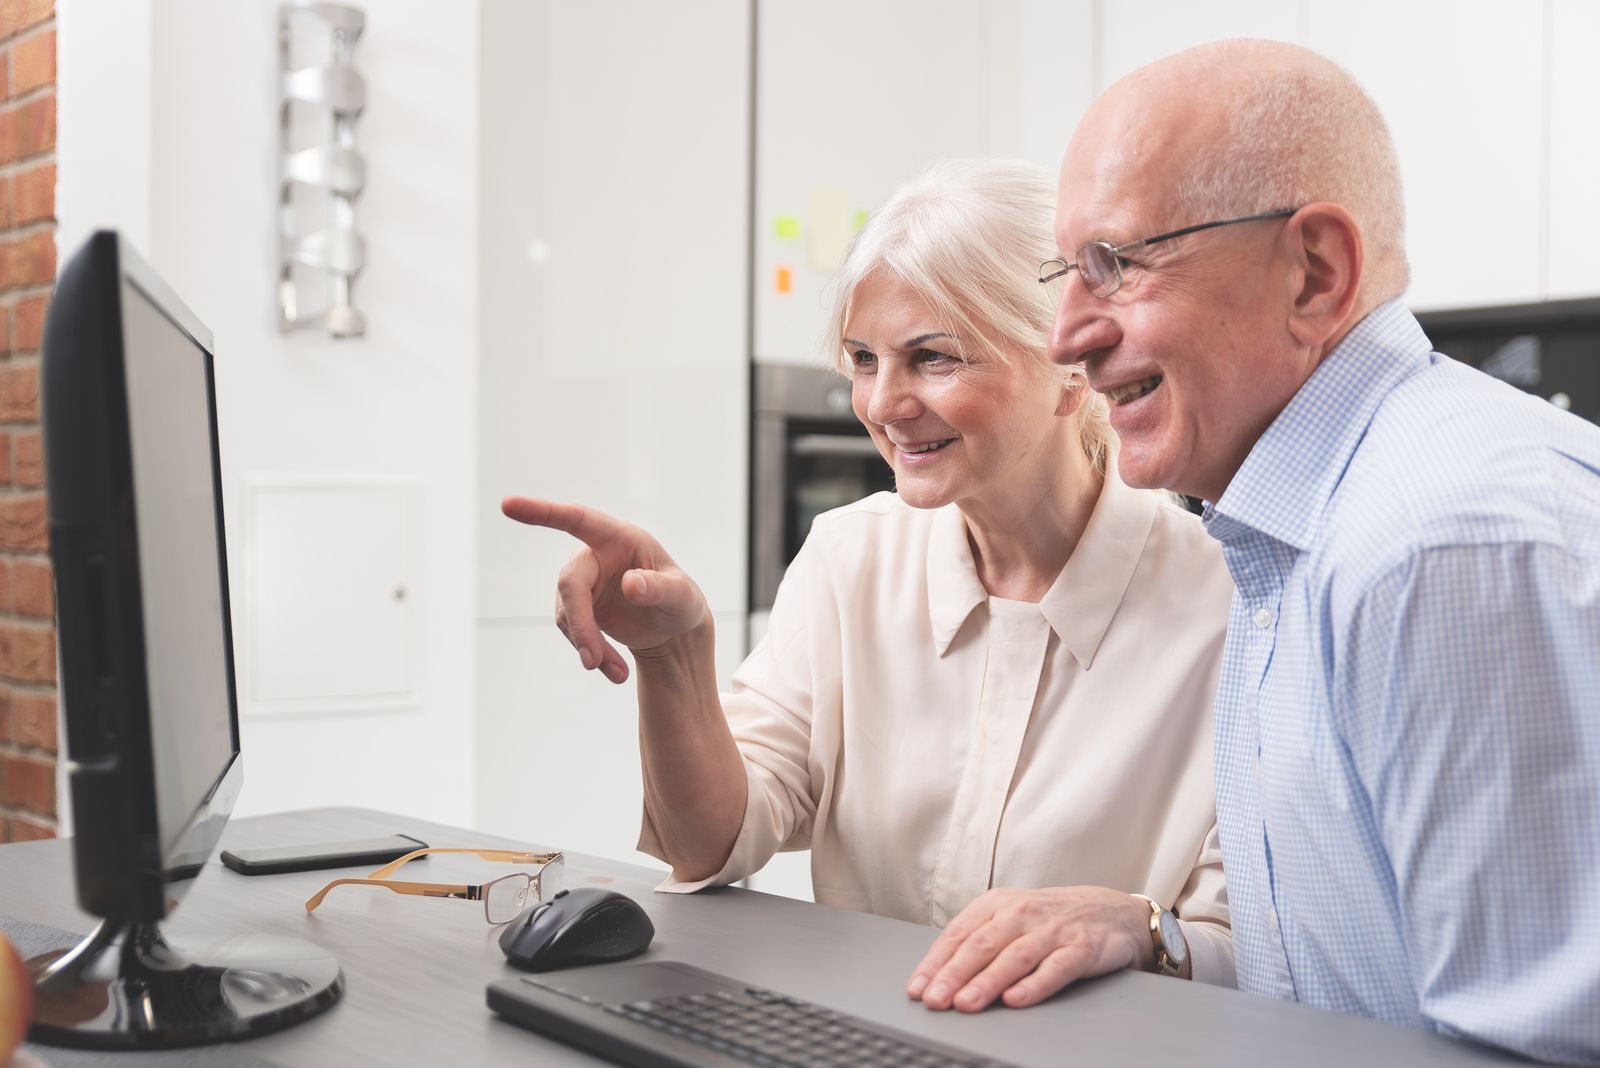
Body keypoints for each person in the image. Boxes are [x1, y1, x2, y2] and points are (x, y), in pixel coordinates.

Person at [503, 158, 1239, 1012]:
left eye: (932, 359)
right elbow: (712, 844)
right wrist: (675, 657)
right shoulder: (848, 557)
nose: (883, 403)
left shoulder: (1228, 605)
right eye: (862, 359)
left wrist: (1139, 927)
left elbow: (1255, 952)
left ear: (1072, 365)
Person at [1047, 38, 1600, 1064]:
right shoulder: (1290, 540)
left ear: (1314, 272)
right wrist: (1156, 939)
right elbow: (1341, 986)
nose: (1064, 335)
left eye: (1114, 265)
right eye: (1067, 273)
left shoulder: (1438, 547)